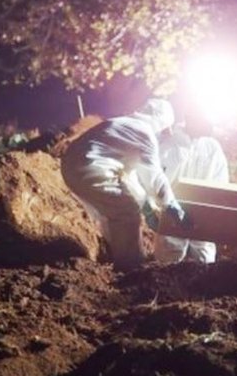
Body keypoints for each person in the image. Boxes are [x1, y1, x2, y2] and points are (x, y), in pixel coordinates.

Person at [60, 98, 191, 271]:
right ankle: (131, 269)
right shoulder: (144, 133)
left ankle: (117, 255)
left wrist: (147, 209)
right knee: (126, 213)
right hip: (89, 167)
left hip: (71, 166)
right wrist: (171, 205)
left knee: (116, 210)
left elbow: (130, 179)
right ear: (162, 122)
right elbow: (154, 178)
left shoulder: (123, 124)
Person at [154, 124, 229, 263]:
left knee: (203, 258)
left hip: (201, 219)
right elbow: (156, 180)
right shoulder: (170, 143)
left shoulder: (212, 147)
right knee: (169, 259)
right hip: (172, 213)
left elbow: (220, 185)